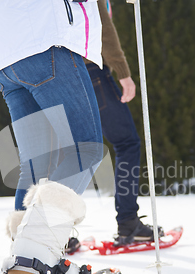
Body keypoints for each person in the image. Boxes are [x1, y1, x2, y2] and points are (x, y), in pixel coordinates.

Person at [0, 0, 104, 274]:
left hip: (5, 58)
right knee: (86, 148)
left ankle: (24, 256)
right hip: (47, 41)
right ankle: (37, 251)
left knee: (37, 161)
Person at [84, 0, 163, 246]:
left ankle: (55, 233)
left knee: (69, 151)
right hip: (93, 70)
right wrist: (123, 72)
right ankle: (129, 223)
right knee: (127, 143)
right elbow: (103, 28)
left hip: (62, 73)